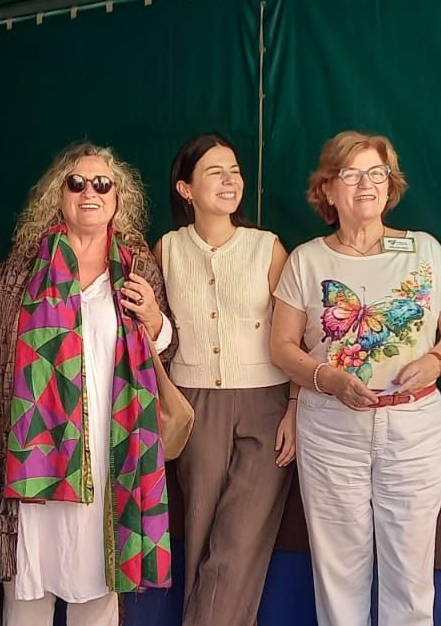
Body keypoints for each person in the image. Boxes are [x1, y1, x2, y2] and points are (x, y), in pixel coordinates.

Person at [0, 142, 176, 626]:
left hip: (111, 450)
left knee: (96, 579)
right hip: (33, 454)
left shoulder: (135, 266)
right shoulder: (22, 268)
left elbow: (166, 349)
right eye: (77, 182)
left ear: (119, 197)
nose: (90, 192)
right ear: (59, 195)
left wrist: (155, 316)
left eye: (103, 184)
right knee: (29, 578)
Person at [269, 130, 441, 626]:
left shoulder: (423, 250)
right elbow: (280, 346)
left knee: (410, 567)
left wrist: (437, 361)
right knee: (339, 569)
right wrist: (327, 379)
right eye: (352, 173)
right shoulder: (307, 259)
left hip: (414, 428)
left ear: (390, 184)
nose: (367, 183)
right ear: (328, 189)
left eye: (377, 173)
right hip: (331, 429)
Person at [154, 133, 293, 625]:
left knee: (238, 538)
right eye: (215, 172)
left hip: (267, 404)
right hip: (194, 403)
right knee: (199, 536)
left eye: (234, 171)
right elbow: (156, 336)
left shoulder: (267, 248)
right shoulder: (166, 251)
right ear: (186, 189)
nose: (230, 180)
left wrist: (295, 410)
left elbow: (297, 334)